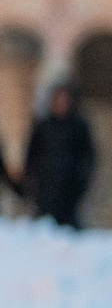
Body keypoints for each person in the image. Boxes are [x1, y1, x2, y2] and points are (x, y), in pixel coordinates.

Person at [25, 85, 97, 229]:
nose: (60, 104)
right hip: (45, 193)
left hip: (69, 193)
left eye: (63, 100)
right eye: (56, 100)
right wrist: (32, 182)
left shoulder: (78, 127)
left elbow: (88, 158)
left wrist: (80, 182)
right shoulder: (43, 126)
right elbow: (32, 156)